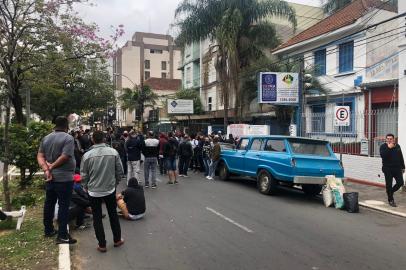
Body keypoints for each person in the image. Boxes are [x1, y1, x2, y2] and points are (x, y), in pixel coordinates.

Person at [80, 130, 125, 252]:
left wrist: (86, 186)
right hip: (110, 189)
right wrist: (114, 183)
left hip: (93, 191)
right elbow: (120, 171)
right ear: (104, 139)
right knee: (113, 214)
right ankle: (117, 240)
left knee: (97, 217)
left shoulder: (87, 155)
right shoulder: (113, 152)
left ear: (93, 140)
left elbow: (84, 175)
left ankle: (102, 245)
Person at [37, 116, 77, 244]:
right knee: (63, 206)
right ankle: (62, 235)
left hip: (50, 177)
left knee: (49, 203)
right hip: (64, 179)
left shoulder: (46, 138)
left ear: (55, 125)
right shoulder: (68, 138)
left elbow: (40, 155)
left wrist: (46, 169)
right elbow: (65, 156)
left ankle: (48, 230)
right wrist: (52, 166)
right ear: (66, 126)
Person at [380, 133, 405, 207]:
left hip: (397, 168)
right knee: (389, 184)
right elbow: (383, 156)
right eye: (388, 139)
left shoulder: (397, 146)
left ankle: (390, 191)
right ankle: (391, 200)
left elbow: (401, 157)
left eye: (391, 139)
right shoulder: (383, 146)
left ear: (393, 139)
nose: (389, 140)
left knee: (400, 182)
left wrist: (403, 167)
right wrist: (389, 148)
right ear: (386, 139)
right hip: (387, 169)